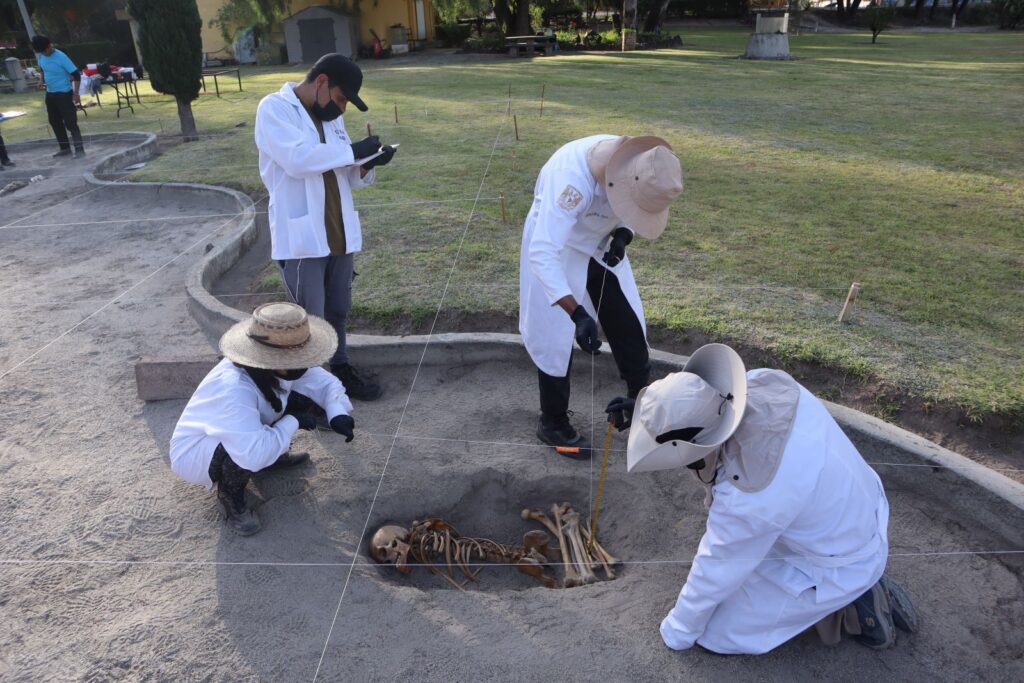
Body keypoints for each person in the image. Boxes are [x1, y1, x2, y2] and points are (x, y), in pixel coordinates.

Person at [606, 343, 920, 654]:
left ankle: (853, 609)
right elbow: (695, 406)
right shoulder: (762, 382)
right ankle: (854, 580)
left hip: (840, 560)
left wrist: (678, 630)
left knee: (717, 632)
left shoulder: (749, 495)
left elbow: (715, 570)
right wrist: (646, 414)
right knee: (749, 556)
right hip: (859, 510)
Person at [519, 135, 684, 457]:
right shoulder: (571, 182)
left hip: (602, 245)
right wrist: (578, 314)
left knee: (627, 321)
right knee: (555, 333)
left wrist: (623, 235)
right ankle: (552, 422)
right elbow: (543, 252)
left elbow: (631, 208)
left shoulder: (643, 164)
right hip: (559, 248)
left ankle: (640, 407)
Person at [254, 53, 395, 401]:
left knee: (338, 311)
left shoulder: (330, 120)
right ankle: (310, 390)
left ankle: (341, 368)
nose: (342, 109)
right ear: (321, 82)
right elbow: (298, 160)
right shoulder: (275, 108)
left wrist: (367, 162)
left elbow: (346, 172)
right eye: (341, 98)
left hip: (338, 231)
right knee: (309, 320)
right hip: (302, 238)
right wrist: (351, 152)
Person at [170, 303, 357, 536]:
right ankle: (230, 494)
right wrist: (293, 421)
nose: (304, 363)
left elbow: (324, 383)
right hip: (198, 450)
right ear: (271, 358)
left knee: (300, 400)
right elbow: (253, 453)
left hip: (243, 429)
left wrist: (336, 412)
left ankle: (274, 456)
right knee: (247, 452)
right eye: (297, 359)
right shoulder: (234, 389)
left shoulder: (274, 367)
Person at [31, 35, 84, 158]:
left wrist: (76, 94)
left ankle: (79, 150)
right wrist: (41, 80)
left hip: (64, 93)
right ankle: (65, 148)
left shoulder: (61, 57)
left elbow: (76, 75)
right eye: (41, 52)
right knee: (54, 121)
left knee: (70, 122)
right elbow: (42, 70)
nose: (44, 53)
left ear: (50, 45)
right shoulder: (41, 56)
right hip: (50, 93)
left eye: (45, 50)